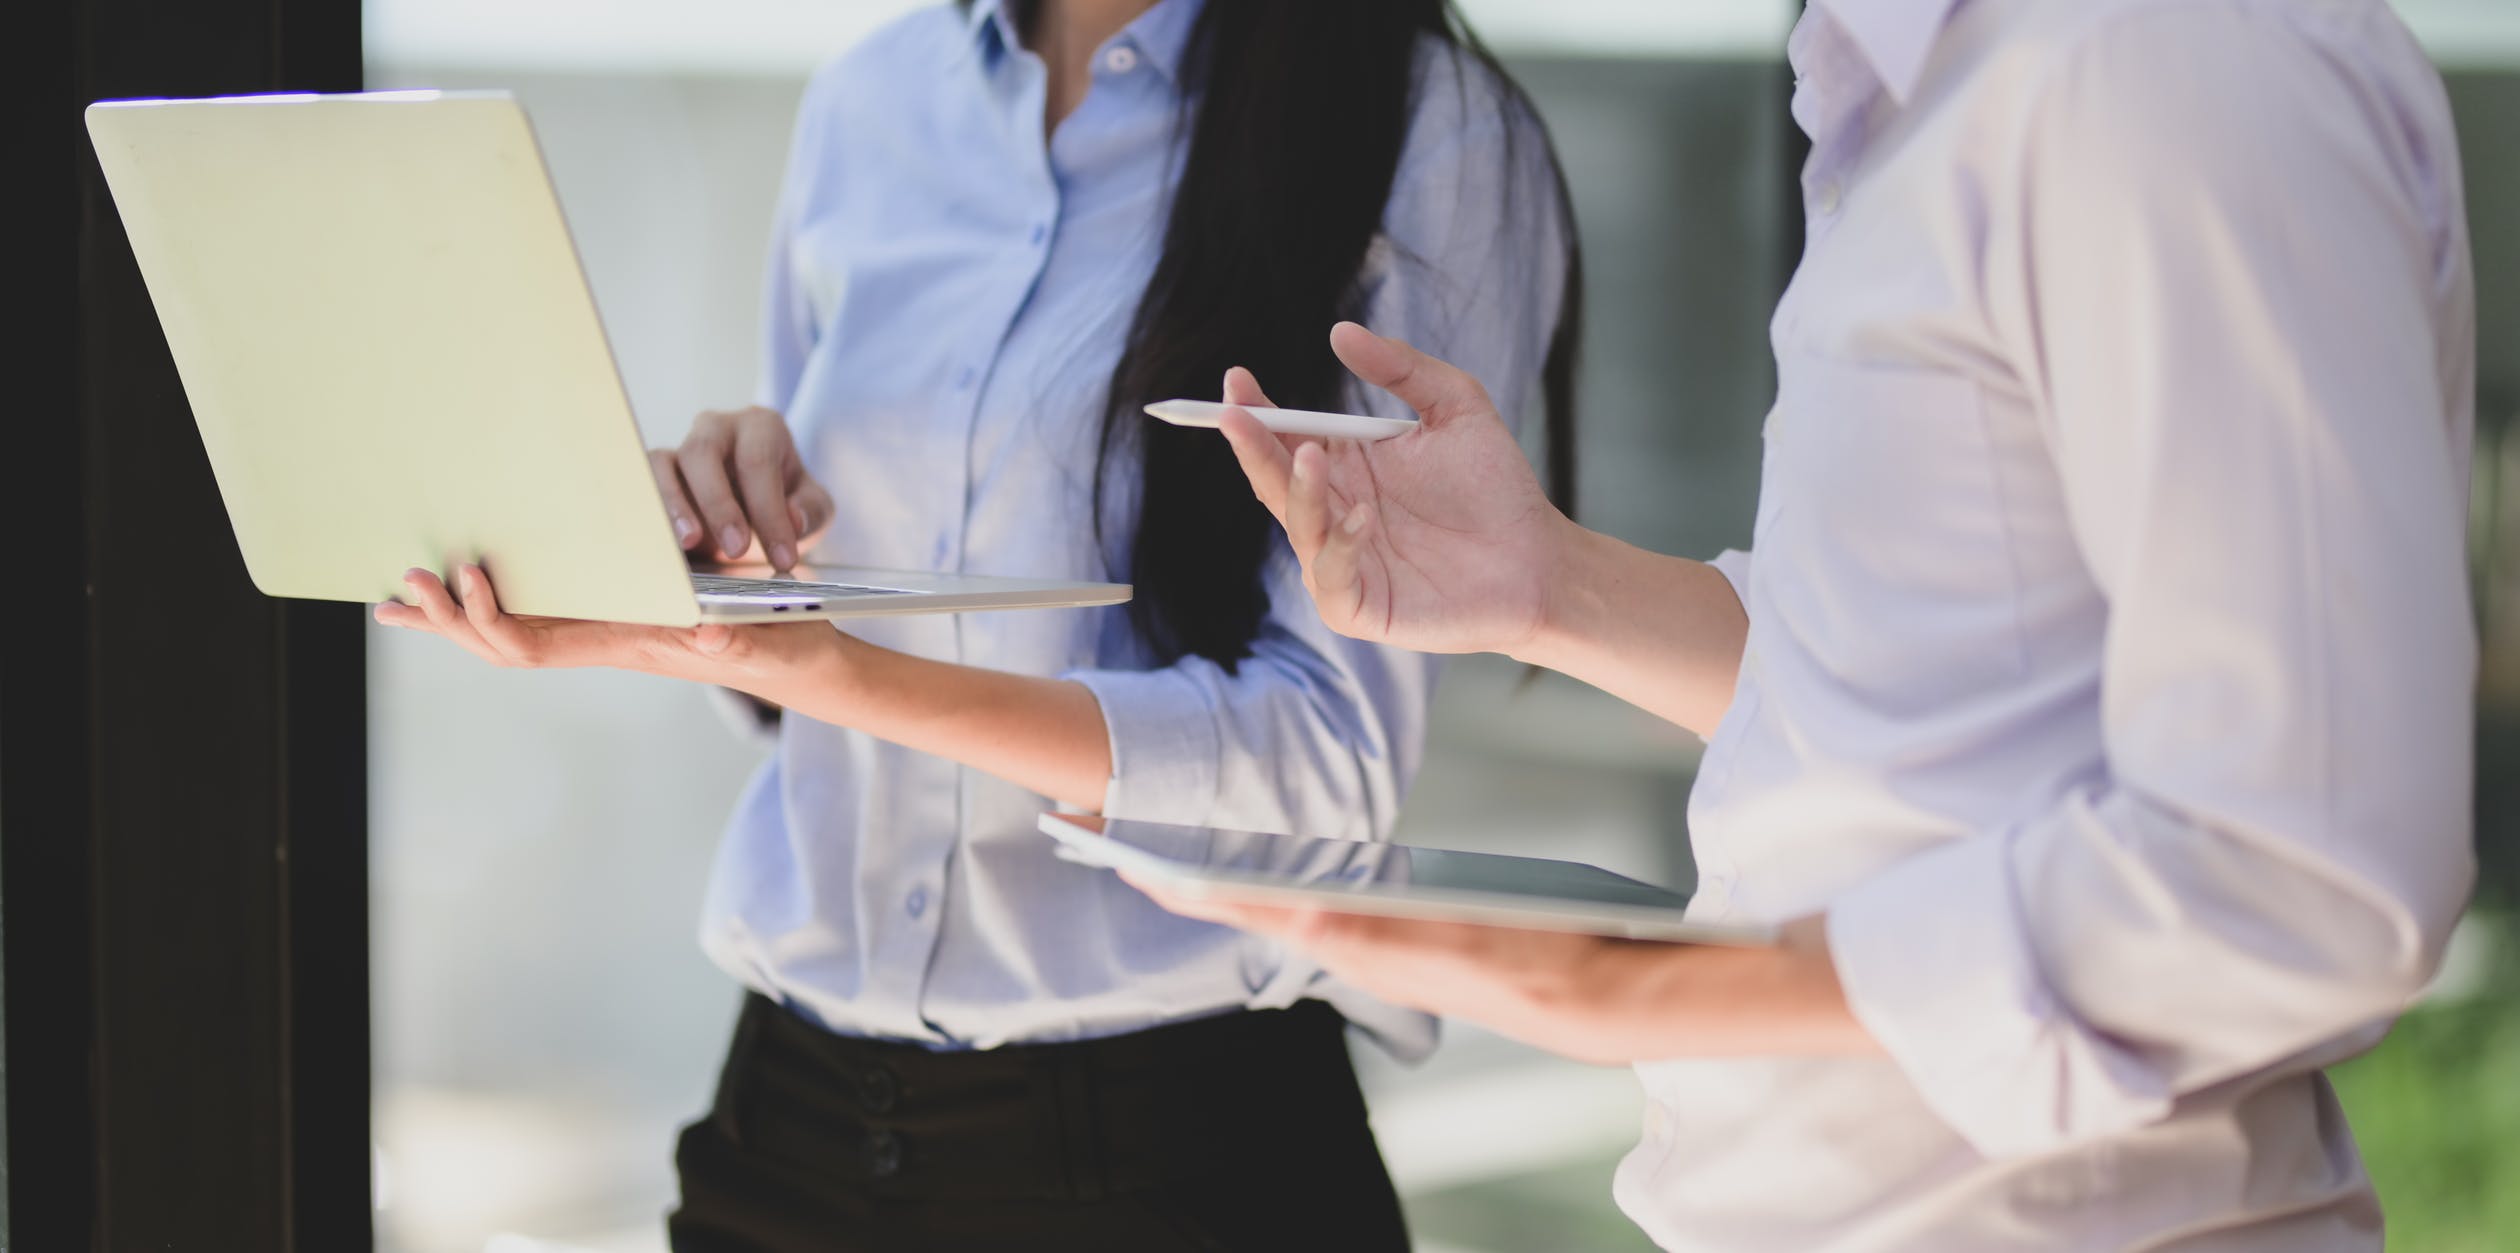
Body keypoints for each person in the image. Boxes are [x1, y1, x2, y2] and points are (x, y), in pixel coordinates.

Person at [1140, 0, 2480, 1248]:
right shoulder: (1927, 98)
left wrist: (1628, 991)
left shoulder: (2159, 61)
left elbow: (2302, 872)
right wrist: (1551, 584)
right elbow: (1940, 711)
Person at [374, 1, 1579, 1248]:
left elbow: (1324, 765)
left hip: (1172, 1166)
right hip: (787, 1135)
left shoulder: (1430, 135)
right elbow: (797, 663)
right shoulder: (874, 97)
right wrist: (727, 551)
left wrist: (835, 669)